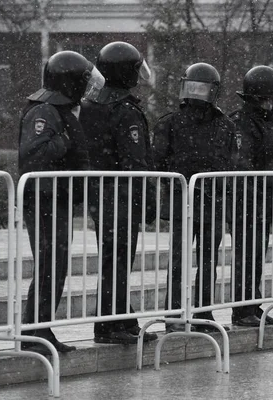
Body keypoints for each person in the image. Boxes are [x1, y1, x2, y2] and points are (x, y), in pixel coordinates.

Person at [19, 50, 102, 355]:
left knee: (55, 266)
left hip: (57, 200)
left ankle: (42, 329)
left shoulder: (60, 110)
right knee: (49, 266)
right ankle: (34, 332)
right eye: (80, 81)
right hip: (43, 201)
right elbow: (34, 156)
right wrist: (65, 140)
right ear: (69, 83)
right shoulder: (44, 112)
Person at [80, 41, 158, 344]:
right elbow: (135, 162)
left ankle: (121, 319)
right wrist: (148, 199)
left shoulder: (91, 106)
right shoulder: (125, 111)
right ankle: (110, 325)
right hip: (122, 196)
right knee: (118, 261)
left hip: (102, 195)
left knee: (113, 260)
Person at [152, 62, 237, 333]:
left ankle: (203, 312)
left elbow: (231, 163)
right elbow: (157, 161)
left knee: (208, 261)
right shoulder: (170, 123)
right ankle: (175, 313)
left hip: (211, 202)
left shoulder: (224, 125)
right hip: (183, 202)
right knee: (179, 261)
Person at [229, 66, 273, 327]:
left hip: (263, 200)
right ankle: (242, 309)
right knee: (246, 256)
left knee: (256, 255)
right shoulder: (243, 122)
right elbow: (244, 165)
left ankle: (253, 303)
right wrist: (257, 198)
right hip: (248, 202)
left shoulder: (267, 122)